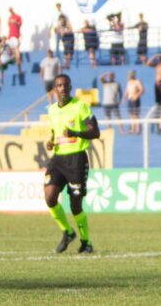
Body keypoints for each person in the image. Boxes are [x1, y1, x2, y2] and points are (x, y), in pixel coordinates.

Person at [44, 74, 100, 254]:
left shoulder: (81, 106)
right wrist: (51, 141)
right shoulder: (51, 110)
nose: (63, 89)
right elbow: (55, 132)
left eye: (66, 85)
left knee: (76, 206)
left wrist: (76, 132)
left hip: (76, 159)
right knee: (50, 197)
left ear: (70, 87)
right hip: (58, 159)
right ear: (55, 89)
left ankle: (86, 242)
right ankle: (67, 232)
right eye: (59, 85)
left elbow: (95, 132)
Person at [124, 70, 144, 134]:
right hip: (130, 100)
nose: (128, 76)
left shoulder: (137, 81)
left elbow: (142, 89)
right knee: (131, 115)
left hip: (135, 100)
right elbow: (127, 91)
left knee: (136, 115)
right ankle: (132, 129)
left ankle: (139, 129)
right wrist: (124, 98)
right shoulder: (129, 82)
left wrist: (137, 96)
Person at [7, 7, 22, 74]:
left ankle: (19, 68)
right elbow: (9, 26)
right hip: (10, 36)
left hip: (16, 35)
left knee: (17, 52)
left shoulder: (18, 16)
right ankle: (15, 63)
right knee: (10, 52)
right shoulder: (10, 17)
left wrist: (15, 22)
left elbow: (20, 24)